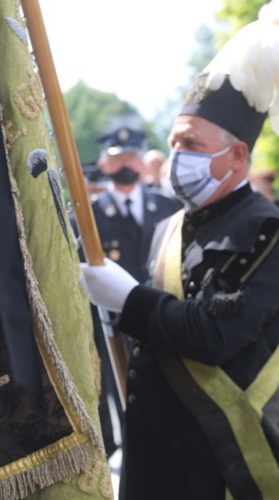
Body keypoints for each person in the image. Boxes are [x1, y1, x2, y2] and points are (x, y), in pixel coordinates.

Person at [80, 1, 279, 497]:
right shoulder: (170, 227)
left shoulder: (267, 231)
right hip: (156, 461)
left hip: (224, 467)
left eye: (191, 144)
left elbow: (212, 337)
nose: (176, 158)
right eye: (173, 143)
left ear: (237, 155)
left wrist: (129, 301)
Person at [74, 126, 181, 464]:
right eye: (118, 158)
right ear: (104, 165)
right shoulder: (86, 216)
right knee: (110, 385)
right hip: (109, 322)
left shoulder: (167, 207)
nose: (127, 164)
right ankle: (114, 451)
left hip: (157, 314)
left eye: (133, 157)